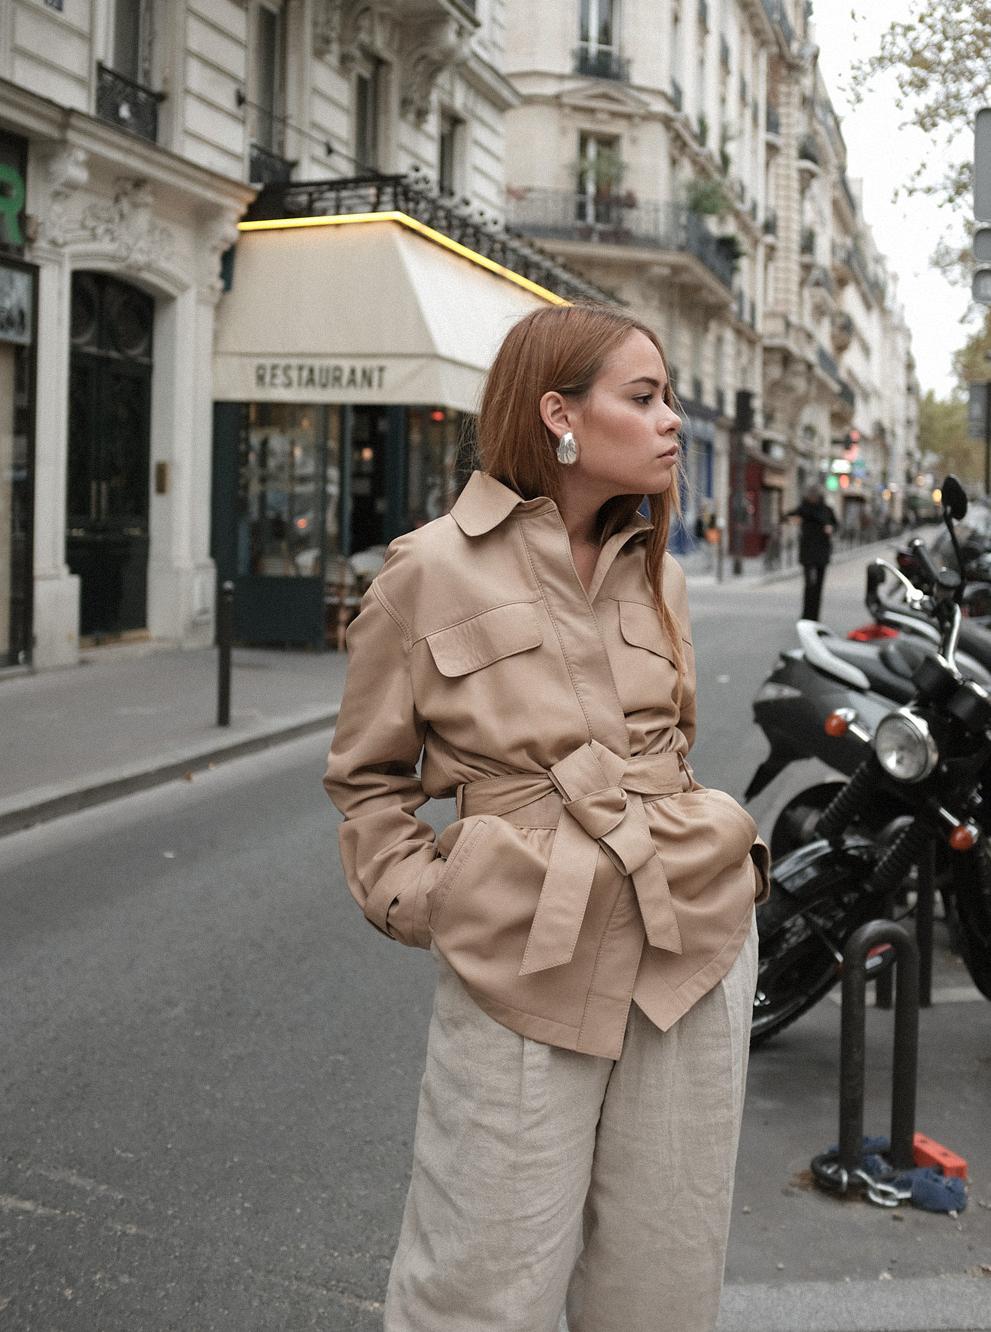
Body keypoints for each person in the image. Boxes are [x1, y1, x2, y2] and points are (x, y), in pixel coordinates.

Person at [324, 305, 768, 1332]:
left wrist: (724, 862)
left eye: (667, 398)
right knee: (479, 1283)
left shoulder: (662, 572)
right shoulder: (426, 570)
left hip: (689, 944)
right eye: (644, 397)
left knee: (662, 1280)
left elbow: (671, 746)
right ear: (557, 413)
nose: (670, 421)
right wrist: (435, 898)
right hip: (524, 948)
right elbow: (366, 777)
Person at [784, 483, 837, 621]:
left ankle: (815, 616)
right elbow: (786, 516)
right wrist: (793, 519)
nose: (813, 499)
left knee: (818, 585)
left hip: (821, 549)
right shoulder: (803, 509)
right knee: (808, 585)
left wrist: (831, 528)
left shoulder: (826, 510)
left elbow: (835, 524)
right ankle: (806, 614)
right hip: (808, 549)